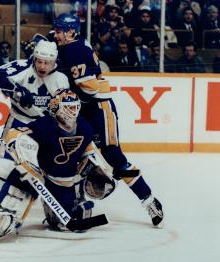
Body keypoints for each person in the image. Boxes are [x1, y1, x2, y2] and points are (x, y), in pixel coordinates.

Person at [53, 13, 164, 228]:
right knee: (75, 156)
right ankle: (73, 205)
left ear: (70, 32)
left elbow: (90, 88)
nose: (55, 34)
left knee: (115, 158)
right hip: (82, 111)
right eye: (55, 30)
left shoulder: (75, 50)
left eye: (58, 31)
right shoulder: (71, 44)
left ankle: (149, 200)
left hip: (98, 110)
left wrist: (64, 93)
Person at [0, 89, 116, 241]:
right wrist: (25, 159)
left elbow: (89, 152)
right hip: (38, 173)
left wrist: (100, 169)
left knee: (65, 223)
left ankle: (57, 208)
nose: (73, 111)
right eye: (69, 107)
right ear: (56, 108)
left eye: (75, 107)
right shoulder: (45, 124)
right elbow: (15, 133)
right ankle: (1, 215)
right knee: (18, 186)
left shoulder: (85, 127)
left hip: (63, 180)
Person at [0, 40, 70, 224]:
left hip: (44, 127)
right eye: (39, 61)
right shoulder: (22, 66)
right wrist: (16, 90)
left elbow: (64, 110)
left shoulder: (61, 79)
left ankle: (45, 208)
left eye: (47, 63)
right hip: (19, 121)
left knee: (38, 169)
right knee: (5, 163)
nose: (42, 66)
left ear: (54, 61)